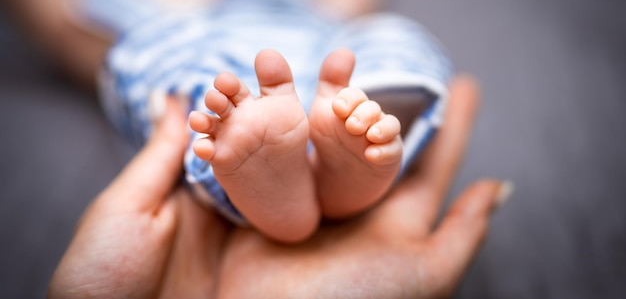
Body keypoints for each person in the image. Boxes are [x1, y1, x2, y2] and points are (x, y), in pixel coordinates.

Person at [1, 0, 453, 242]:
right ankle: (263, 174)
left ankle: (349, 158)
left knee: (389, 35)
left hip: (323, 72)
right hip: (212, 71)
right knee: (209, 101)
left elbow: (340, 1)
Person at [48, 79, 513, 299]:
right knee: (234, 118)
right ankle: (325, 186)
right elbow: (50, 10)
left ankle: (323, 181)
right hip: (238, 100)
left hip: (286, 93)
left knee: (361, 74)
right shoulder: (99, 0)